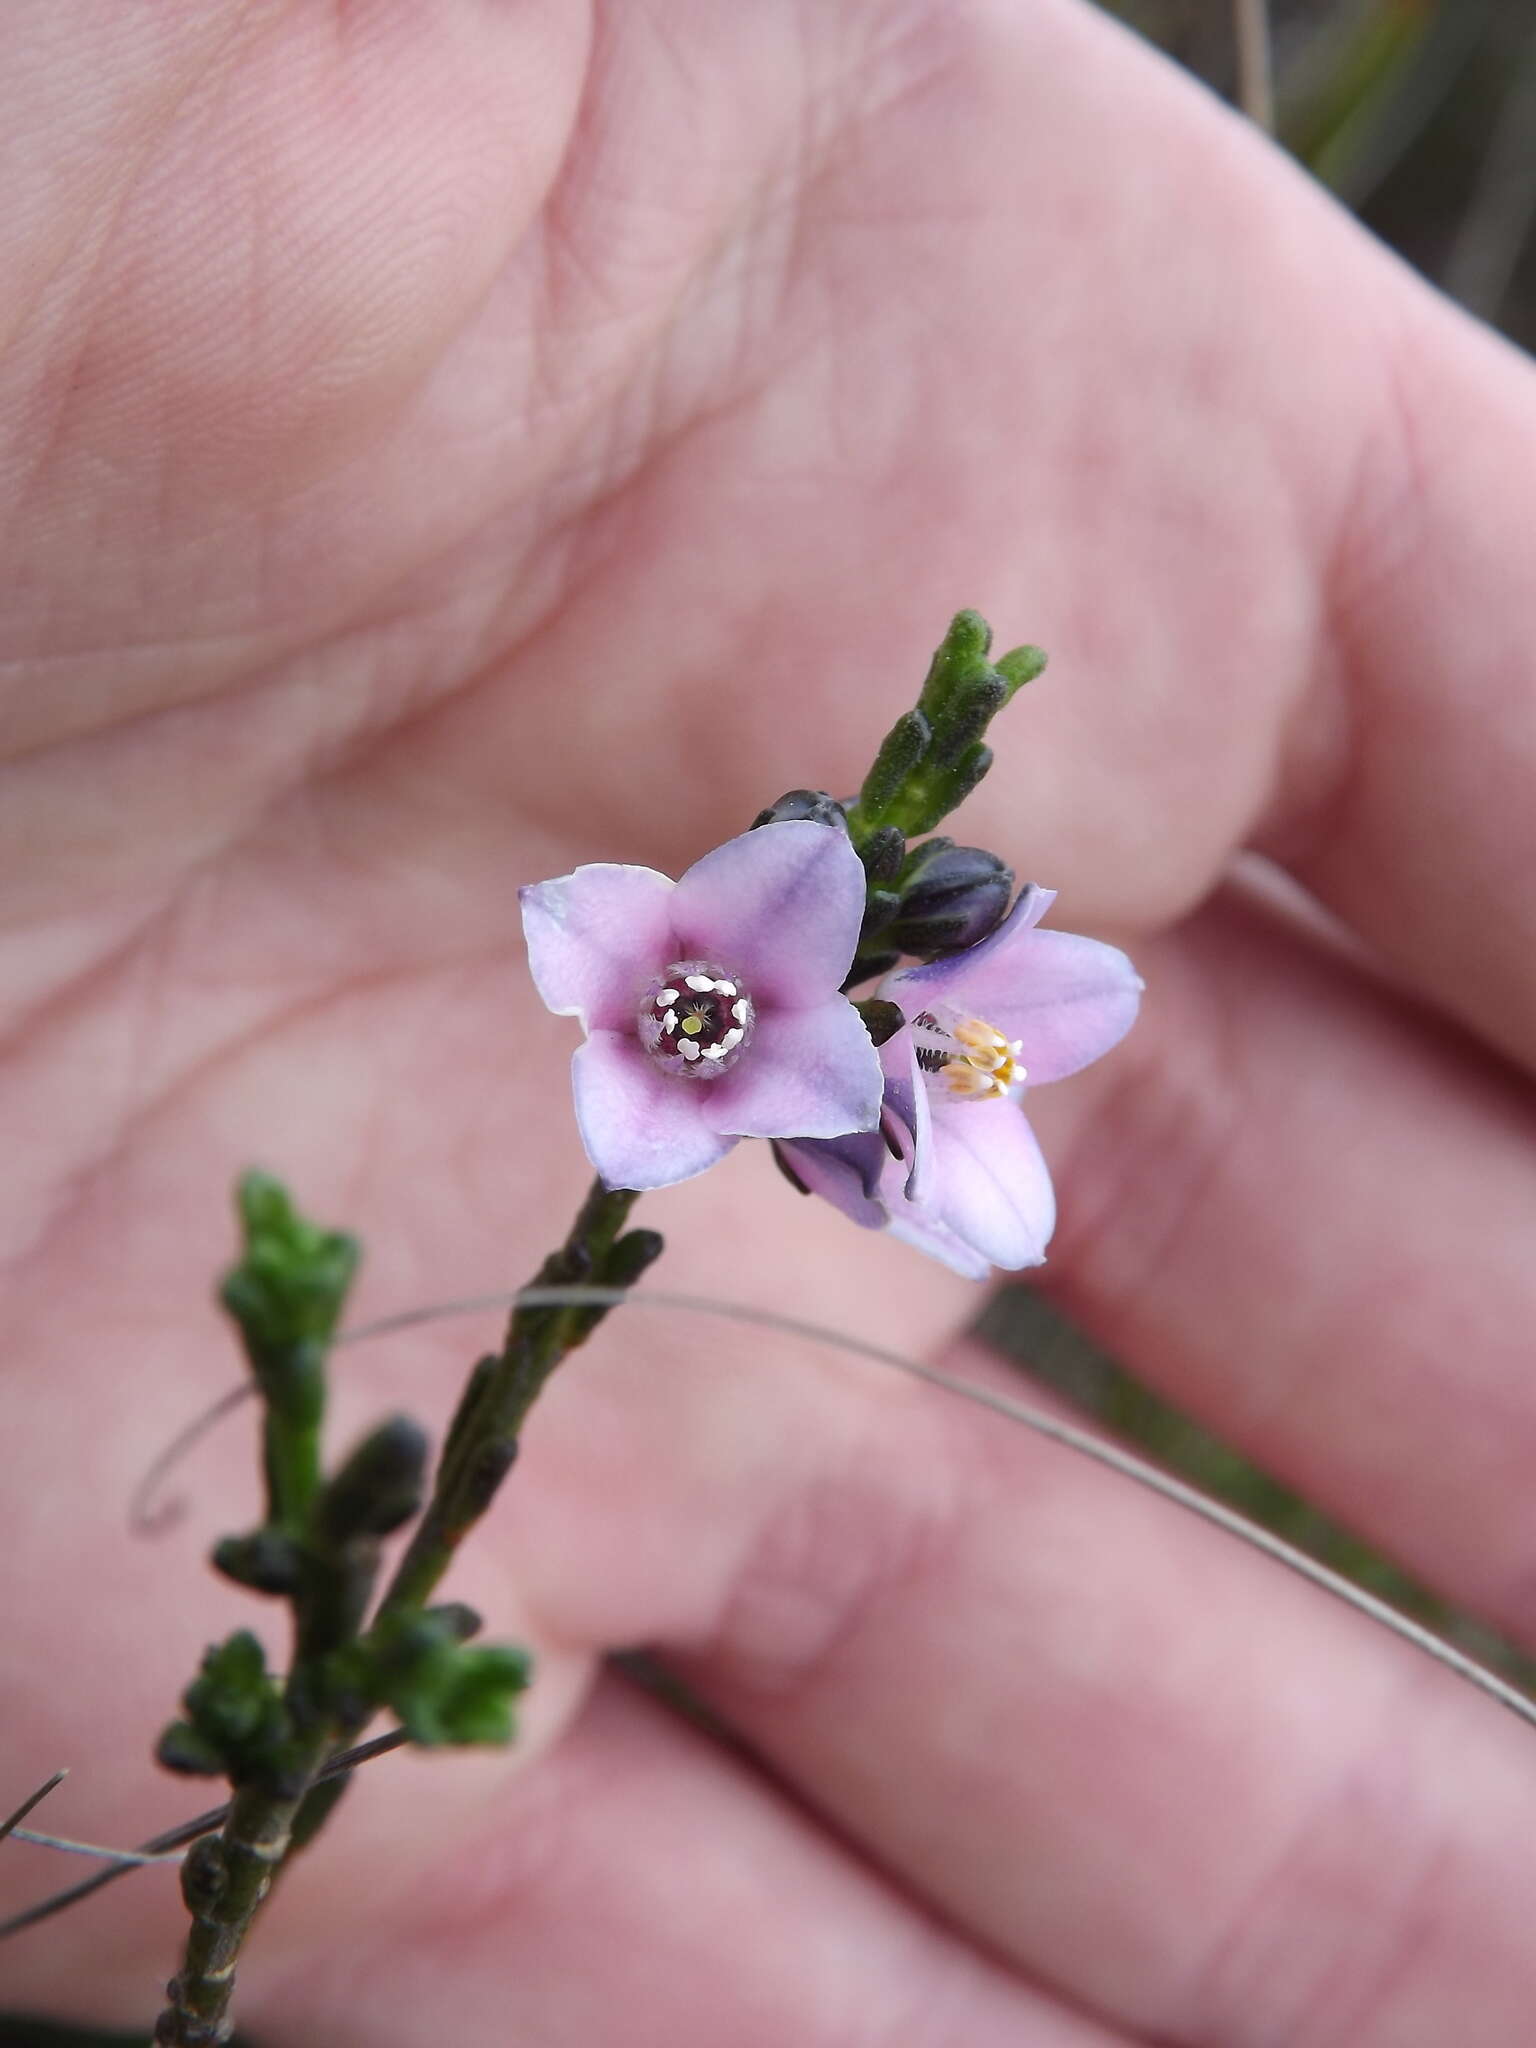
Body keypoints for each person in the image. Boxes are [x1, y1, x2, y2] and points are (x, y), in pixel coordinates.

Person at [4, 3, 1536, 2040]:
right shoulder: (665, 965)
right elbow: (672, 954)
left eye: (747, 1024)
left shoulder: (833, 1047)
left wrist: (871, 1070)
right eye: (706, 1010)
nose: (711, 1018)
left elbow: (889, 1043)